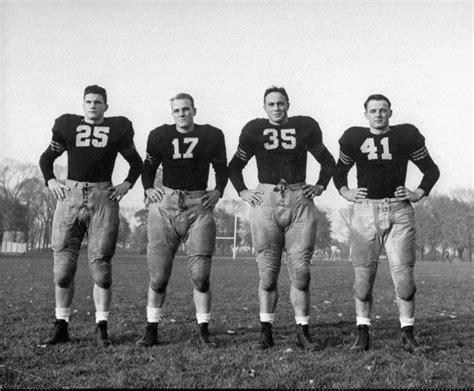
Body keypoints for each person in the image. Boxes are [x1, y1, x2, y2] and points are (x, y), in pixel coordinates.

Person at [229, 86, 336, 351]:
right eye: (271, 104)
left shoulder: (306, 127)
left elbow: (328, 160)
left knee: (301, 272)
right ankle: (266, 332)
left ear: (288, 104)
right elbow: (234, 166)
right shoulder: (254, 130)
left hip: (299, 199)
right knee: (267, 274)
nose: (276, 108)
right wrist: (243, 191)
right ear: (264, 107)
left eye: (280, 103)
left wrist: (320, 186)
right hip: (266, 201)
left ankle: (303, 331)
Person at [333, 94, 440, 353]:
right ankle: (363, 334)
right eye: (373, 110)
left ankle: (407, 334)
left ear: (390, 112)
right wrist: (346, 192)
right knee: (362, 279)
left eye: (383, 110)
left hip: (399, 210)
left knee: (404, 279)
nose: (378, 114)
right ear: (366, 114)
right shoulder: (354, 138)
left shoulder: (405, 136)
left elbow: (431, 170)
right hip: (364, 212)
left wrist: (418, 193)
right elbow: (339, 172)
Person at [39, 85, 143, 346]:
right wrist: (50, 181)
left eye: (98, 102)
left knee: (102, 270)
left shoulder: (118, 128)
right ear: (83, 104)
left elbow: (137, 162)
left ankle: (101, 326)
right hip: (70, 198)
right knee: (62, 270)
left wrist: (126, 184)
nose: (93, 105)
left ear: (106, 106)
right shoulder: (67, 125)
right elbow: (46, 158)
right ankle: (61, 325)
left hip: (102, 199)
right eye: (88, 101)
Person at [137, 93, 228, 347]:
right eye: (176, 110)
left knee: (200, 276)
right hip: (165, 207)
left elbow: (222, 167)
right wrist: (147, 188)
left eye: (186, 109)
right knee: (158, 277)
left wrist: (218, 189)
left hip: (198, 206)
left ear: (194, 110)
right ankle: (151, 328)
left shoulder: (211, 135)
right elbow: (148, 166)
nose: (181, 114)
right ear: (172, 113)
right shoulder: (159, 135)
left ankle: (203, 328)